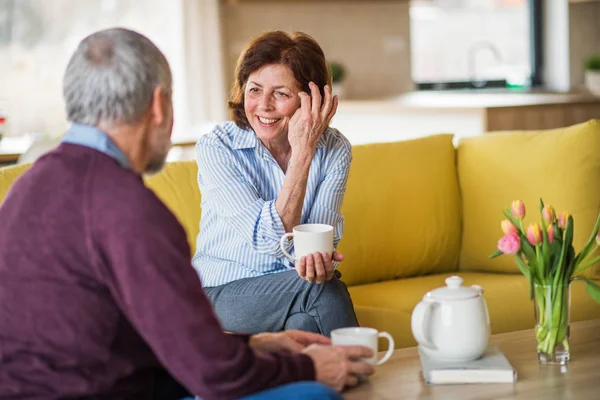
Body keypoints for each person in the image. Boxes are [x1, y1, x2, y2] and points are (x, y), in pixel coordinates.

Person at [0, 28, 375, 400]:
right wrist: (309, 368)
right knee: (315, 392)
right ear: (160, 105)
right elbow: (213, 375)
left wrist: (254, 344)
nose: (263, 104)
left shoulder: (25, 191)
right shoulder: (131, 210)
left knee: (306, 338)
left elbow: (134, 334)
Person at [193, 31, 358, 337]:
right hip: (220, 293)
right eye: (254, 90)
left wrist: (316, 259)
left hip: (293, 289)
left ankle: (326, 384)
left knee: (306, 324)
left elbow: (317, 241)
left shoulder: (336, 149)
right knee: (322, 292)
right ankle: (368, 378)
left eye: (280, 94)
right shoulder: (217, 147)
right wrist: (303, 152)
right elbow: (269, 241)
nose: (263, 106)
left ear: (314, 100)